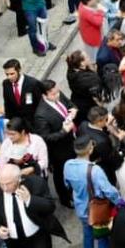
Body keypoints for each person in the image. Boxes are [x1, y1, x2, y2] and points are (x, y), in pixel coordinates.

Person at [0, 163, 68, 247]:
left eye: (8, 183)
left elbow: (50, 206)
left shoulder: (36, 183)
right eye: (1, 184)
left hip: (37, 237)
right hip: (13, 242)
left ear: (18, 179)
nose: (4, 188)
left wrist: (30, 200)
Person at [64, 135, 122, 248]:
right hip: (97, 210)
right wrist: (120, 201)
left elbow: (67, 184)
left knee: (87, 234)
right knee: (102, 237)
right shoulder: (95, 170)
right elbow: (109, 191)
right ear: (90, 150)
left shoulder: (67, 165)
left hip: (81, 208)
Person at [33, 79, 77, 208]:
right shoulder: (41, 115)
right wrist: (64, 131)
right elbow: (46, 137)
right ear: (44, 95)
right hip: (59, 151)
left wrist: (73, 110)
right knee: (61, 175)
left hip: (72, 140)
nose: (57, 95)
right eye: (53, 94)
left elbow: (70, 104)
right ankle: (65, 198)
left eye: (57, 92)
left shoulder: (57, 94)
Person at [1, 59, 44, 128]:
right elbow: (7, 104)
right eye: (7, 74)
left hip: (33, 122)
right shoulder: (6, 84)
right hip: (18, 124)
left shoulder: (32, 83)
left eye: (12, 74)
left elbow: (41, 103)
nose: (9, 77)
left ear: (19, 70)